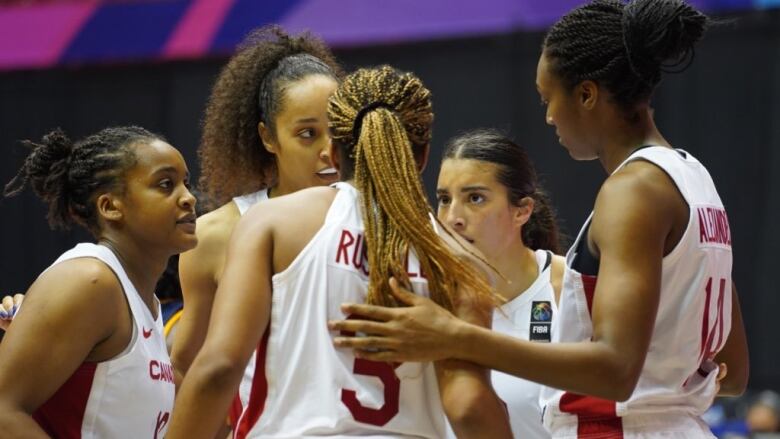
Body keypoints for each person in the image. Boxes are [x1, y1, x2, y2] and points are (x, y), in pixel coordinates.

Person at [329, 1, 750, 437]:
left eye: (549, 99)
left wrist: (457, 336)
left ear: (587, 95)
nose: (548, 117)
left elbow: (616, 370)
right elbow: (732, 371)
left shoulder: (633, 191)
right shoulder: (695, 181)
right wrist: (668, 384)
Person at [167, 66, 512, 439]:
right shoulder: (457, 258)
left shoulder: (270, 222)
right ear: (424, 154)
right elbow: (469, 406)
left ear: (333, 151)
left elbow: (219, 368)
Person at [171, 25, 342, 390]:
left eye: (338, 129)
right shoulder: (216, 235)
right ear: (268, 137)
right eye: (308, 134)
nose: (329, 149)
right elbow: (187, 366)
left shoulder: (377, 218)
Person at [0, 126, 197, 438]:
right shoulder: (90, 281)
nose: (188, 197)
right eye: (165, 184)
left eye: (186, 183)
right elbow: (3, 413)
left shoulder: (146, 302)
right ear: (110, 206)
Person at [436, 129, 564, 438]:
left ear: (522, 210)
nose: (453, 217)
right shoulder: (426, 296)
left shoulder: (568, 287)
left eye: (475, 198)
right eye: (443, 199)